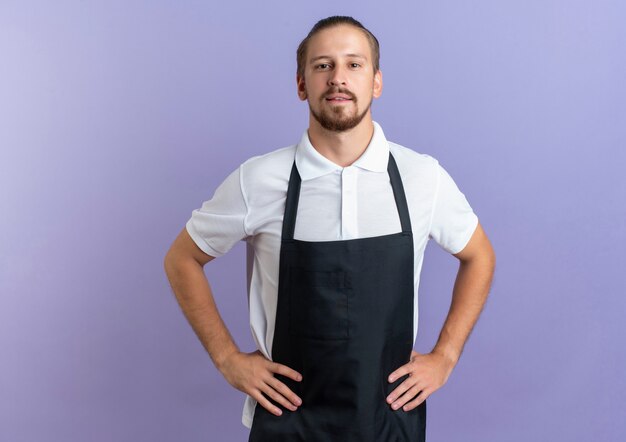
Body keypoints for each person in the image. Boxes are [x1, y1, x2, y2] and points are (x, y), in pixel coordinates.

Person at [164, 15, 496, 442]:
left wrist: (446, 356)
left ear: (376, 82)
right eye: (323, 65)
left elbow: (479, 256)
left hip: (389, 422)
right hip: (288, 422)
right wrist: (227, 358)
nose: (338, 78)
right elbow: (182, 259)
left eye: (354, 65)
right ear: (301, 84)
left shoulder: (421, 177)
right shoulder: (259, 179)